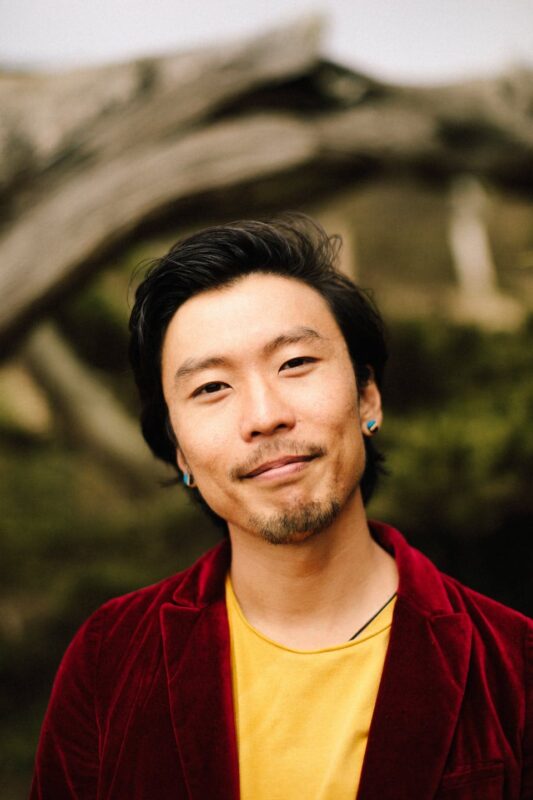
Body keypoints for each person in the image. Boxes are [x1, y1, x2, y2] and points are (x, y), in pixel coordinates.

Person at [31, 216, 532, 799]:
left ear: (367, 396)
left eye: (294, 363)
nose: (264, 415)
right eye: (212, 388)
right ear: (178, 451)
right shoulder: (110, 661)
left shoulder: (515, 670)